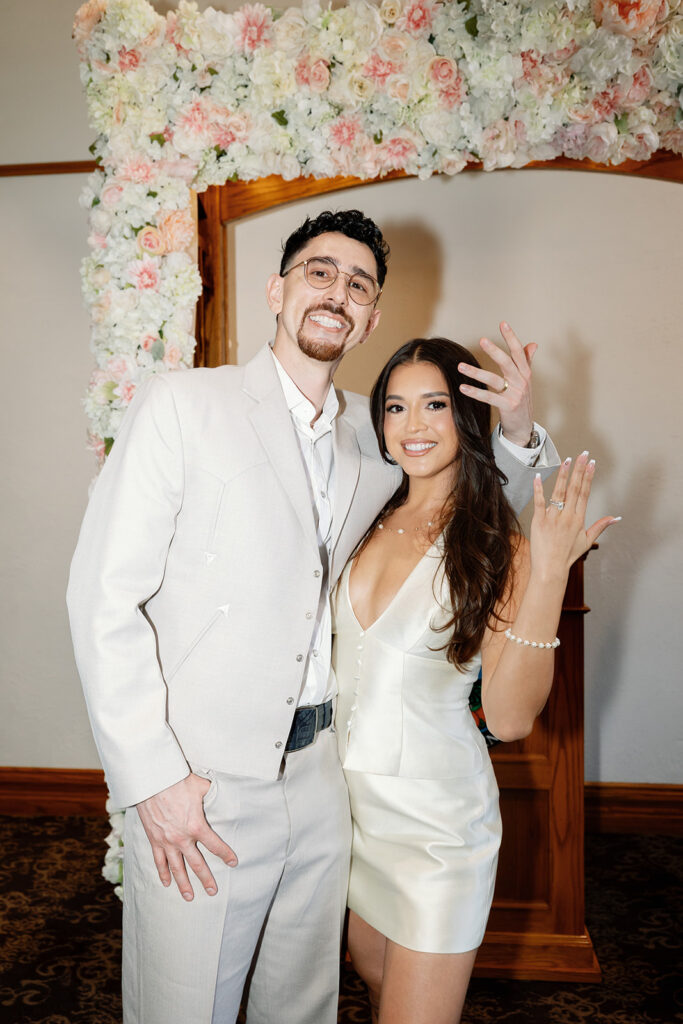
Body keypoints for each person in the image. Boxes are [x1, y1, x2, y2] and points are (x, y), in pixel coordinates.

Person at [66, 210, 559, 1024]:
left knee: (299, 1009)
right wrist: (152, 779)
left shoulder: (374, 438)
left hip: (327, 787)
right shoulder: (183, 405)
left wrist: (515, 431)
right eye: (319, 272)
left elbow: (462, 488)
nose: (337, 292)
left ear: (368, 319)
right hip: (203, 784)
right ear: (279, 289)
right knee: (183, 1009)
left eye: (358, 284)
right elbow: (101, 599)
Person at [332, 337, 618, 1024]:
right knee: (374, 986)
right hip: (347, 817)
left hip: (436, 829)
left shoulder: (493, 543)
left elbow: (512, 717)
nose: (413, 425)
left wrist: (547, 574)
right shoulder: (360, 514)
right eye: (395, 407)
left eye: (434, 404)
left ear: (465, 418)